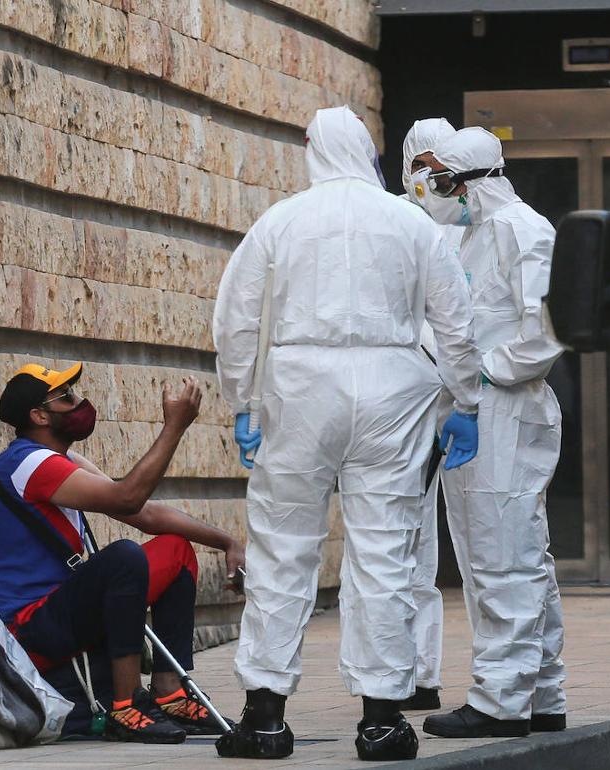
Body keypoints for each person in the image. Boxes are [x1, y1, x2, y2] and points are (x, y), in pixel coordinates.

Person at [213, 106, 482, 762]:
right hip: (393, 386)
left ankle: (265, 716)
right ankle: (384, 719)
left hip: (301, 386)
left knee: (282, 548)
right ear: (367, 150)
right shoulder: (410, 221)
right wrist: (465, 401)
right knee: (385, 551)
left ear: (311, 149)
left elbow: (237, 318)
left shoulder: (280, 220)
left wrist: (241, 401)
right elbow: (454, 319)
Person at [0, 362, 245, 744]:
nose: (80, 402)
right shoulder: (27, 463)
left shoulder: (58, 461)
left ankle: (170, 693)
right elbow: (129, 496)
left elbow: (144, 514)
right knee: (123, 559)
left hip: (58, 611)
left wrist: (227, 542)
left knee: (175, 550)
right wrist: (174, 427)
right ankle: (126, 705)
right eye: (66, 397)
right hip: (26, 629)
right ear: (39, 415)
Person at [420, 127, 569, 739]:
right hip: (483, 410)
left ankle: (501, 701)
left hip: (505, 409)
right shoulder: (479, 234)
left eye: (435, 177)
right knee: (516, 556)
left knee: (502, 558)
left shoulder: (520, 231)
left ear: (466, 180)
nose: (429, 189)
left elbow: (545, 330)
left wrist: (482, 371)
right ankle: (541, 693)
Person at [397, 117, 466, 713]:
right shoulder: (391, 221)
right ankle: (403, 673)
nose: (428, 179)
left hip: (457, 403)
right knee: (399, 539)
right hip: (399, 406)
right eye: (419, 165)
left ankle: (422, 672)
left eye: (439, 168)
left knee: (442, 545)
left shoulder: (472, 228)